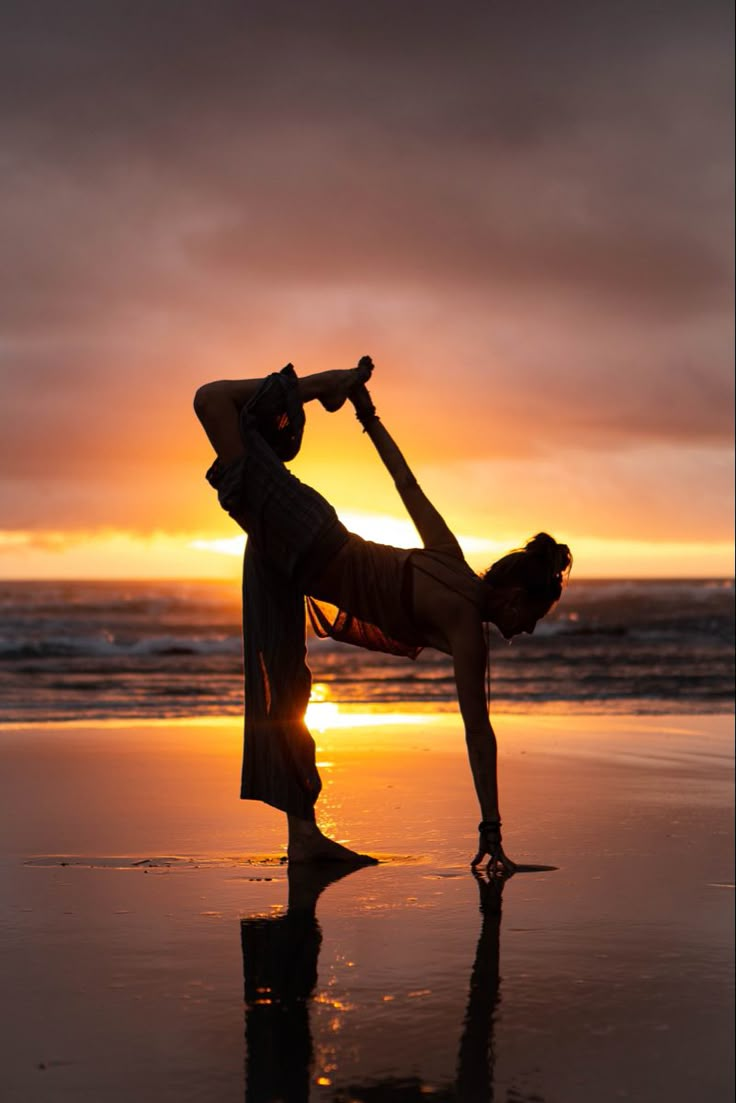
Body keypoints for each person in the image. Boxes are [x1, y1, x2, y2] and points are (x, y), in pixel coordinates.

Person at [194, 357, 571, 874]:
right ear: (514, 598)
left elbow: (405, 482)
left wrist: (368, 417)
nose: (528, 628)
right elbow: (478, 731)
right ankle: (320, 384)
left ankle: (304, 837)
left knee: (283, 687)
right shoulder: (466, 629)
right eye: (533, 615)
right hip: (306, 536)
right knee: (212, 401)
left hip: (297, 559)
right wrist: (491, 828)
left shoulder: (449, 555)